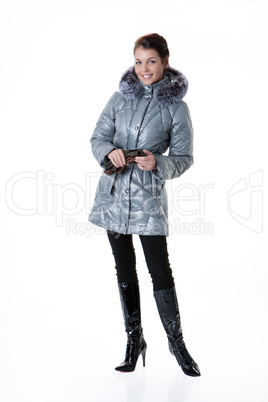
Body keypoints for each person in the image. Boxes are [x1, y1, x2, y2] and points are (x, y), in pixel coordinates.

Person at [88, 33, 201, 377]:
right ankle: (134, 340)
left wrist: (160, 164)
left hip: (149, 200)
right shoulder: (118, 99)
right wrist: (109, 152)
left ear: (165, 61)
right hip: (112, 196)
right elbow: (98, 137)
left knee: (160, 271)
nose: (144, 68)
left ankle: (176, 343)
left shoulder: (176, 108)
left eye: (151, 61)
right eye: (138, 61)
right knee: (124, 270)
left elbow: (184, 158)